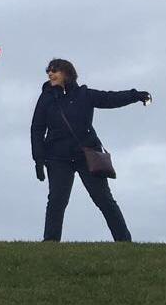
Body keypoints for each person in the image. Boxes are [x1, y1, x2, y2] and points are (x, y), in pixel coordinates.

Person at [30, 59, 150, 242]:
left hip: (86, 155)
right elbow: (37, 128)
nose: (50, 74)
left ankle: (124, 241)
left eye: (55, 71)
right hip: (57, 157)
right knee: (56, 201)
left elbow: (111, 98)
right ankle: (50, 242)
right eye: (49, 71)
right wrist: (38, 159)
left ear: (67, 73)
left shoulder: (84, 94)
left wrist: (136, 95)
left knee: (104, 200)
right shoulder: (46, 98)